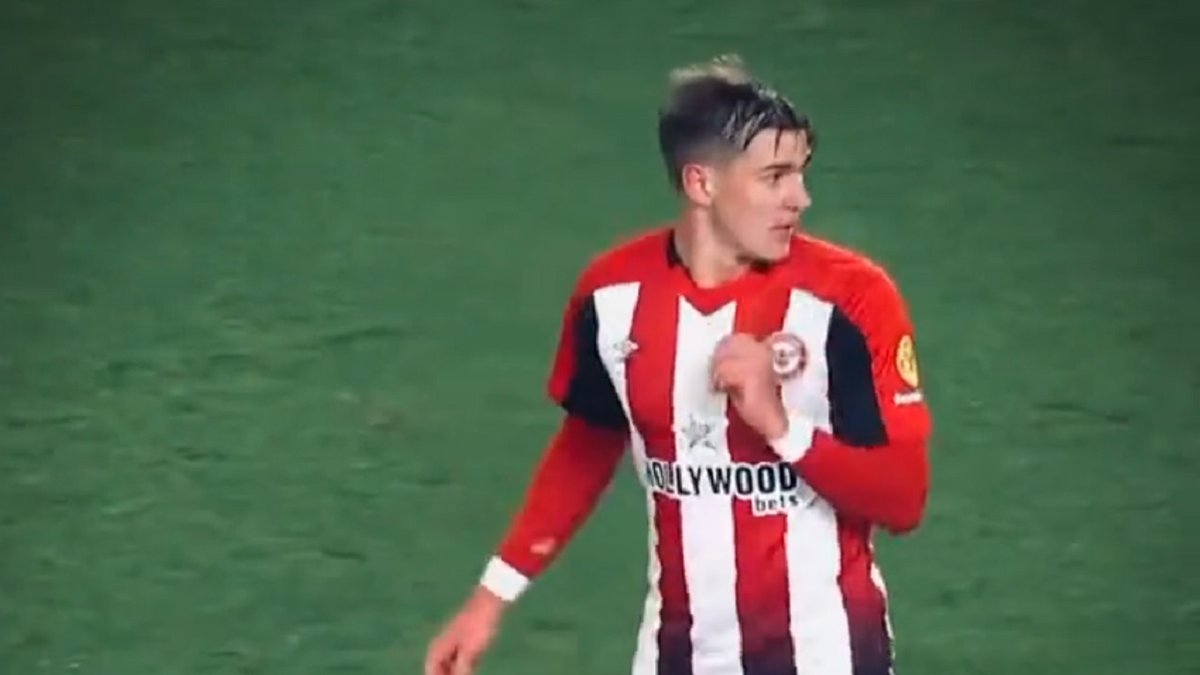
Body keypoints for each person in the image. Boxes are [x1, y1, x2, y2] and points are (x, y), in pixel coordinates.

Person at [424, 54, 933, 675]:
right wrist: (490, 599)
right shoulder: (611, 297)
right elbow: (587, 446)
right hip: (678, 655)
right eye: (775, 177)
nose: (800, 198)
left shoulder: (850, 300)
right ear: (701, 184)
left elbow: (905, 499)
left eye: (800, 173)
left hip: (827, 653)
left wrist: (780, 427)